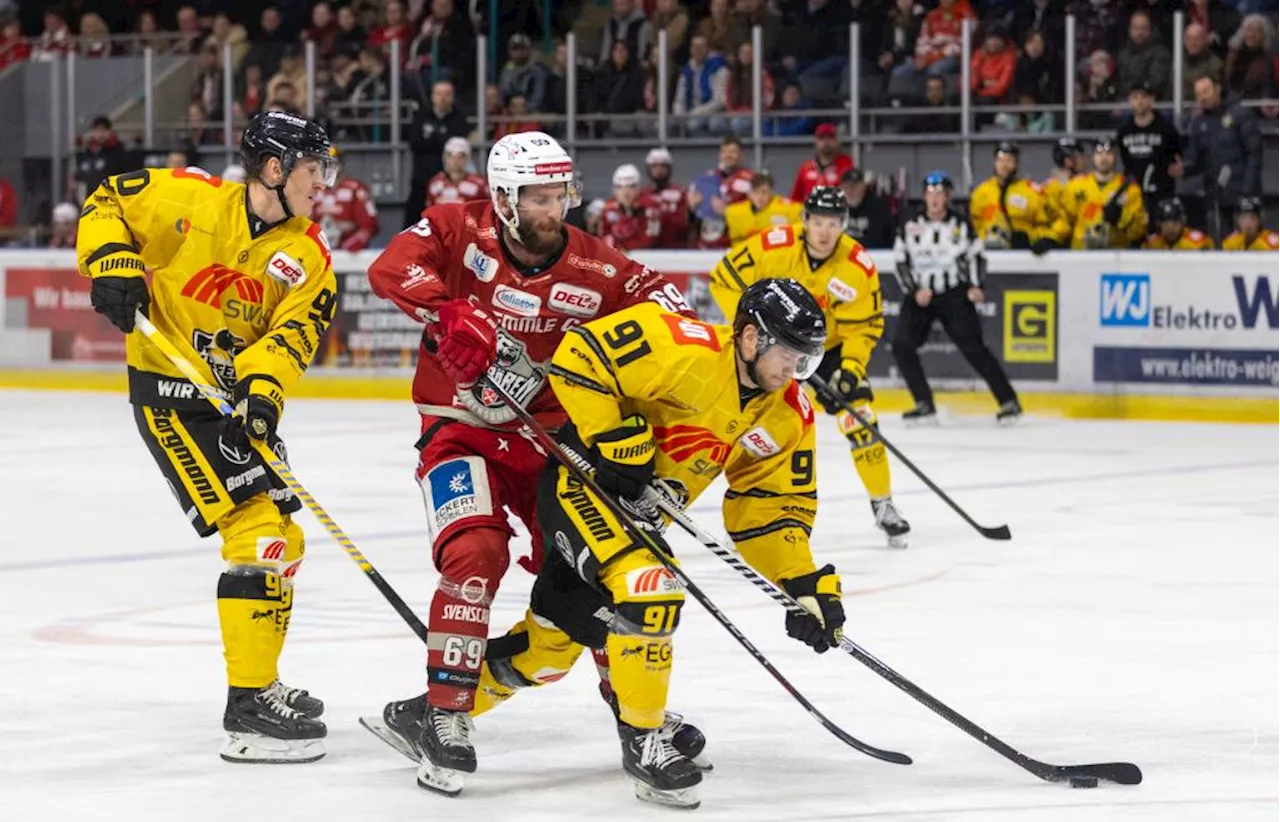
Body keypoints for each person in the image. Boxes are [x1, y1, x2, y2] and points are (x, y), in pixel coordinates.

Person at [362, 131, 703, 794]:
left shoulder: (595, 266)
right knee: (475, 556)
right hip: (459, 434)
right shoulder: (457, 227)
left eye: (561, 194)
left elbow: (666, 304)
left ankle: (636, 715)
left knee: (599, 567)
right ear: (504, 198)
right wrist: (450, 313)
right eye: (539, 197)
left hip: (553, 444)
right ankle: (447, 716)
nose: (555, 209)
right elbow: (389, 267)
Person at [471, 278, 845, 808]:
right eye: (787, 354)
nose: (793, 371)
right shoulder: (680, 344)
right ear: (748, 338)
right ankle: (644, 739)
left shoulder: (788, 414)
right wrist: (615, 437)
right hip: (584, 486)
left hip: (637, 524)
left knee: (547, 650)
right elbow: (579, 355)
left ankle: (441, 708)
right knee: (652, 589)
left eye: (804, 361)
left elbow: (769, 510)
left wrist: (802, 581)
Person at [75, 111, 339, 762]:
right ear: (273, 170)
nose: (323, 183)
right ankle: (248, 708)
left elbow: (289, 339)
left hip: (227, 402)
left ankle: (263, 684)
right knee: (257, 534)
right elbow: (107, 200)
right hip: (168, 392)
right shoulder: (188, 198)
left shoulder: (309, 255)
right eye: (313, 170)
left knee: (286, 537)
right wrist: (112, 264)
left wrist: (260, 396)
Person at [709, 187, 910, 548]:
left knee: (859, 417)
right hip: (770, 343)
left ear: (844, 225)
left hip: (827, 348)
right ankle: (737, 504)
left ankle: (883, 504)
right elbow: (723, 278)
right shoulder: (773, 245)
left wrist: (850, 367)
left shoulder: (857, 265)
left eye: (832, 224)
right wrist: (750, 329)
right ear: (804, 221)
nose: (823, 231)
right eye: (817, 222)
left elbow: (863, 327)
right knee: (750, 424)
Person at [892, 172, 1021, 425]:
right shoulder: (909, 224)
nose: (935, 199)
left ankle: (1009, 401)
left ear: (948, 197)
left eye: (940, 194)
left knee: (974, 347)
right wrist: (914, 289)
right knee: (902, 345)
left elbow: (977, 256)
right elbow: (900, 260)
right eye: (930, 194)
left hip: (954, 294)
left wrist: (975, 285)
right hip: (920, 295)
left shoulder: (961, 225)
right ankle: (923, 403)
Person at [1051, 138, 1148, 249]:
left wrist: (1121, 217)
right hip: (1082, 252)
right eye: (1099, 153)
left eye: (1109, 153)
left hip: (1115, 254)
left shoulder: (1130, 189)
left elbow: (1137, 230)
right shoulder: (1075, 185)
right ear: (1092, 157)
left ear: (1116, 157)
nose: (1104, 158)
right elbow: (1064, 220)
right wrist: (1051, 238)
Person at [968, 141, 1056, 253]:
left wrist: (1032, 239)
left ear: (1016, 163)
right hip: (989, 254)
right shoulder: (980, 192)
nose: (1004, 165)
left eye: (1009, 160)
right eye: (1000, 160)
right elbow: (975, 225)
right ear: (994, 162)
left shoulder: (1030, 191)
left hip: (1023, 254)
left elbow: (1044, 225)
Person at [1116, 80, 1183, 224]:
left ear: (1152, 100)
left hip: (1162, 195)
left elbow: (1178, 157)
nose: (1139, 101)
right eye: (1135, 97)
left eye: (1144, 97)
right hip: (1134, 194)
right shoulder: (1123, 131)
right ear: (1129, 101)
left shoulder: (1166, 129)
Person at [312, 146, 380, 251]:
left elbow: (370, 225)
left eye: (333, 163)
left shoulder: (356, 189)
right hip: (315, 251)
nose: (329, 168)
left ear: (340, 165)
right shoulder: (310, 190)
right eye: (324, 164)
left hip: (348, 254)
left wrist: (350, 244)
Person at [724, 171, 801, 245]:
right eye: (756, 192)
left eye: (764, 192)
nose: (759, 197)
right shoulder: (735, 212)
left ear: (771, 192)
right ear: (749, 194)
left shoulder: (789, 209)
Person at [597, 163, 662, 251]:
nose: (625, 192)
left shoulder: (651, 207)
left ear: (638, 188)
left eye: (630, 187)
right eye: (619, 187)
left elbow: (650, 241)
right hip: (618, 255)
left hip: (646, 256)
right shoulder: (608, 208)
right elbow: (604, 237)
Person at [789, 123, 854, 204]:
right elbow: (795, 199)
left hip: (835, 214)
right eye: (821, 138)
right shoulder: (805, 168)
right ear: (815, 142)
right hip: (810, 214)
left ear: (837, 141)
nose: (826, 142)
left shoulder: (847, 165)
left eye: (830, 137)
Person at [643, 147, 690, 249]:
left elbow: (685, 224)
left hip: (676, 248)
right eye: (654, 166)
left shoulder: (681, 192)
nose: (659, 170)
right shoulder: (641, 194)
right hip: (647, 248)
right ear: (648, 169)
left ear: (669, 169)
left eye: (663, 166)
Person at [423, 136, 489, 207]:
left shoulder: (479, 184)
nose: (455, 160)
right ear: (444, 157)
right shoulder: (435, 183)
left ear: (467, 158)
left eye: (460, 156)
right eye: (450, 155)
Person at [839, 168, 894, 250]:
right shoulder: (835, 208)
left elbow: (877, 240)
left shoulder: (878, 207)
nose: (851, 191)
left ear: (864, 187)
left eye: (855, 187)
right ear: (841, 188)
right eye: (847, 187)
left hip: (873, 255)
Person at [1042, 137, 1084, 227]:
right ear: (1067, 160)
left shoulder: (1087, 181)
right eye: (1078, 155)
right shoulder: (1049, 186)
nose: (1083, 159)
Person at [1142, 198, 1213, 250]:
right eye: (1166, 224)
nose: (1170, 228)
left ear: (1182, 222)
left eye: (1175, 223)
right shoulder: (1151, 244)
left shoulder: (1198, 242)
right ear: (1159, 224)